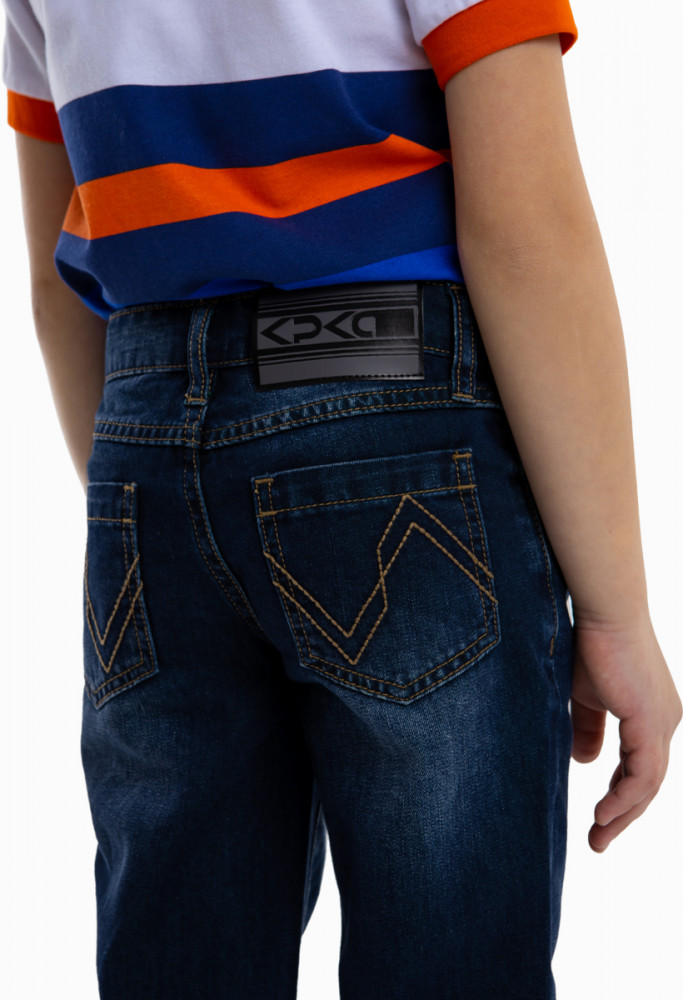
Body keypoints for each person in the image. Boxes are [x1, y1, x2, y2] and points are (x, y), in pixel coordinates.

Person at [2, 1, 680, 998]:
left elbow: (55, 273)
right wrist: (616, 615)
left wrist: (157, 520)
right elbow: (525, 227)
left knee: (177, 953)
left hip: (142, 420)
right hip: (393, 408)